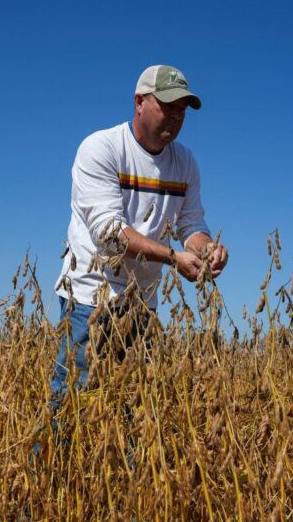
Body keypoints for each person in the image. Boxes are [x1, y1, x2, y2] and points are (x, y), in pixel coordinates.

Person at [49, 64, 228, 404]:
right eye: (168, 106)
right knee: (71, 403)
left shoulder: (185, 163)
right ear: (139, 102)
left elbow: (191, 226)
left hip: (143, 306)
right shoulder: (101, 148)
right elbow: (109, 235)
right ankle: (51, 459)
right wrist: (173, 258)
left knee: (134, 411)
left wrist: (209, 249)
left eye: (182, 110)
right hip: (89, 300)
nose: (176, 117)